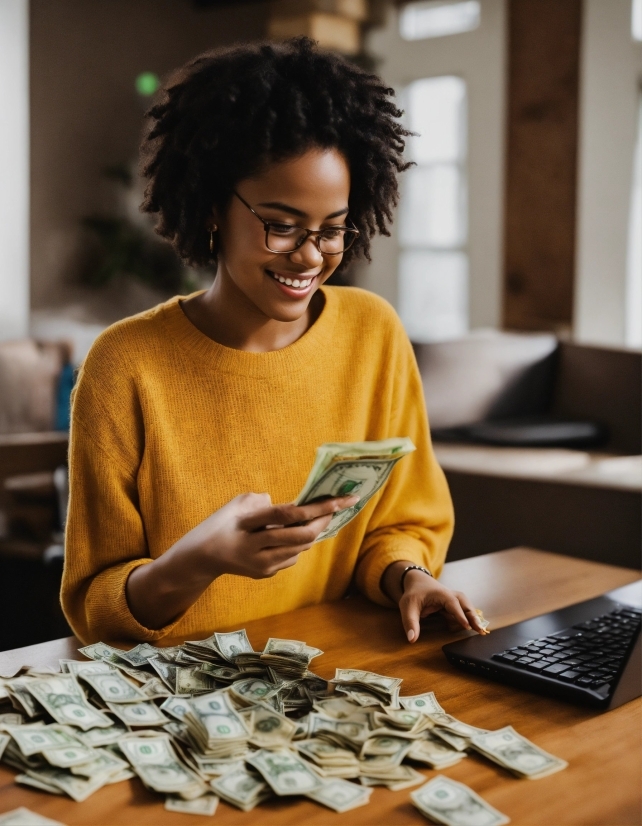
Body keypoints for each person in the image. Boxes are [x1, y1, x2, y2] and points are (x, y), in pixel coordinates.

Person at [60, 37, 484, 646]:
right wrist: (197, 559)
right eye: (280, 226)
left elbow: (398, 523)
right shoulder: (125, 365)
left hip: (327, 680)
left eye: (332, 230)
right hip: (179, 702)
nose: (310, 255)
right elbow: (94, 608)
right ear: (212, 209)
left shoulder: (373, 333)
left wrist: (410, 577)